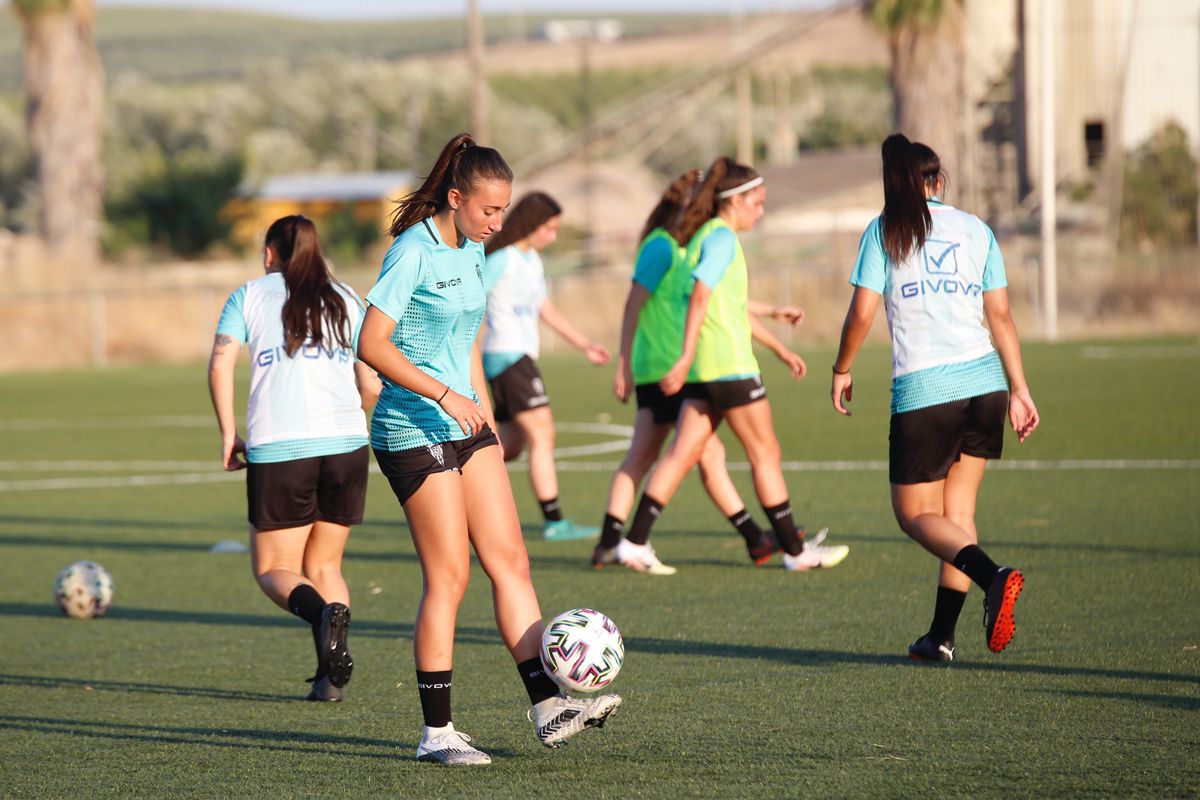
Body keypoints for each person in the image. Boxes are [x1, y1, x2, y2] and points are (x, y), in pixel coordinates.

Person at [356, 134, 621, 766]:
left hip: (469, 422)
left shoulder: (475, 251)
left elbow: (469, 340)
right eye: (488, 211)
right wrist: (447, 396)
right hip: (411, 429)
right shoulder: (412, 252)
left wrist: (486, 415)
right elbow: (371, 343)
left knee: (513, 563)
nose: (497, 222)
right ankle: (437, 735)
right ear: (455, 198)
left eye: (503, 212)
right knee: (450, 577)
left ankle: (548, 707)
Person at [830, 133, 1038, 660]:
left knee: (914, 514)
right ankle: (942, 637)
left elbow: (860, 314)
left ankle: (994, 576)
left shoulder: (884, 231)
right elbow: (1002, 317)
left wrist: (842, 367)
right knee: (957, 512)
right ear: (937, 180)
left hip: (927, 389)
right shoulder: (976, 229)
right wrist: (1020, 388)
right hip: (986, 383)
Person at [617, 156, 850, 573]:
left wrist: (777, 344)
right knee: (765, 453)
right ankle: (795, 553)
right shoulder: (722, 238)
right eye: (757, 202)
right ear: (735, 201)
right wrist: (685, 354)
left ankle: (634, 542)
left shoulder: (700, 236)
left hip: (704, 369)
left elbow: (727, 304)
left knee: (683, 454)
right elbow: (702, 296)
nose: (761, 211)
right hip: (729, 366)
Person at [207, 214, 380, 702]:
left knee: (273, 569)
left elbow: (220, 363)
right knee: (325, 566)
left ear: (269, 255)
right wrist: (350, 416)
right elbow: (370, 381)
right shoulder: (347, 297)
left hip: (281, 446)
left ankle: (321, 615)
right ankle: (329, 683)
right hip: (347, 444)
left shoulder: (249, 295)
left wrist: (228, 434)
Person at [480, 191, 611, 542]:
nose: (552, 236)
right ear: (532, 224)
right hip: (507, 356)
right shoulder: (501, 259)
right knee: (543, 434)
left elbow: (545, 309)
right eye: (549, 229)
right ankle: (555, 521)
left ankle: (457, 483)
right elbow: (470, 304)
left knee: (509, 445)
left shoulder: (532, 260)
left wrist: (584, 344)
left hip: (520, 356)